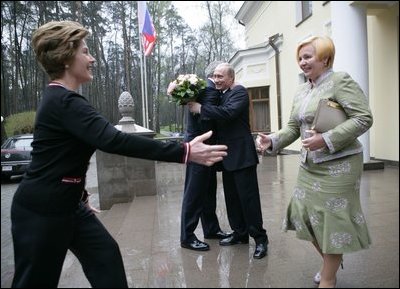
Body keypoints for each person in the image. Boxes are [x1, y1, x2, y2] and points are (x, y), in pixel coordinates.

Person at [10, 20, 227, 288]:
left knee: (106, 259)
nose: (91, 59)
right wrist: (184, 150)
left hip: (68, 205)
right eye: (85, 51)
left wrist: (79, 194)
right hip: (42, 210)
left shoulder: (65, 101)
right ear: (66, 57)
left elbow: (63, 156)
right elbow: (115, 140)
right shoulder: (63, 101)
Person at [256, 36, 373, 288]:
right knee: (303, 215)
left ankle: (328, 279)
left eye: (307, 57)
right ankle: (331, 260)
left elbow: (363, 118)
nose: (302, 62)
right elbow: (292, 127)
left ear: (325, 58)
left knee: (333, 219)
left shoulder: (340, 80)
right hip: (310, 165)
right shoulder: (301, 90)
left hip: (339, 164)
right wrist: (272, 141)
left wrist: (326, 139)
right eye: (299, 58)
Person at [188, 62, 269, 259]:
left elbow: (228, 113)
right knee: (232, 199)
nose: (216, 80)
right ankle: (240, 234)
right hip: (227, 157)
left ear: (231, 78)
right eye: (214, 76)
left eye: (220, 77)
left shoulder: (240, 92)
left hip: (242, 156)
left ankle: (260, 239)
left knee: (248, 200)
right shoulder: (220, 94)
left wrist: (200, 108)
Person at [180, 60, 230, 251]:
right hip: (199, 147)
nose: (220, 79)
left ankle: (211, 229)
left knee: (208, 190)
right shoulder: (209, 90)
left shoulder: (205, 88)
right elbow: (207, 117)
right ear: (214, 74)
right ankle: (187, 236)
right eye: (219, 75)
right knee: (194, 193)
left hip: (206, 148)